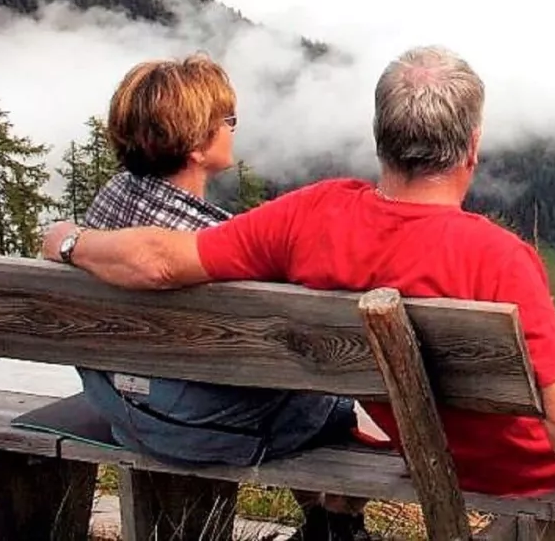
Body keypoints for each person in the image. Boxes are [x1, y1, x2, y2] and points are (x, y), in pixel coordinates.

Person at [43, 46, 555, 535]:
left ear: (381, 138)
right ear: (471, 148)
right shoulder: (501, 257)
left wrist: (68, 242)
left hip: (414, 435)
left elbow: (163, 260)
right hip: (522, 460)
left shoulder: (309, 216)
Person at [75, 53, 371, 541]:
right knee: (347, 400)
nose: (233, 128)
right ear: (195, 146)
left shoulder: (109, 201)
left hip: (125, 413)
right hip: (210, 429)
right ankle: (336, 521)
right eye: (226, 120)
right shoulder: (216, 244)